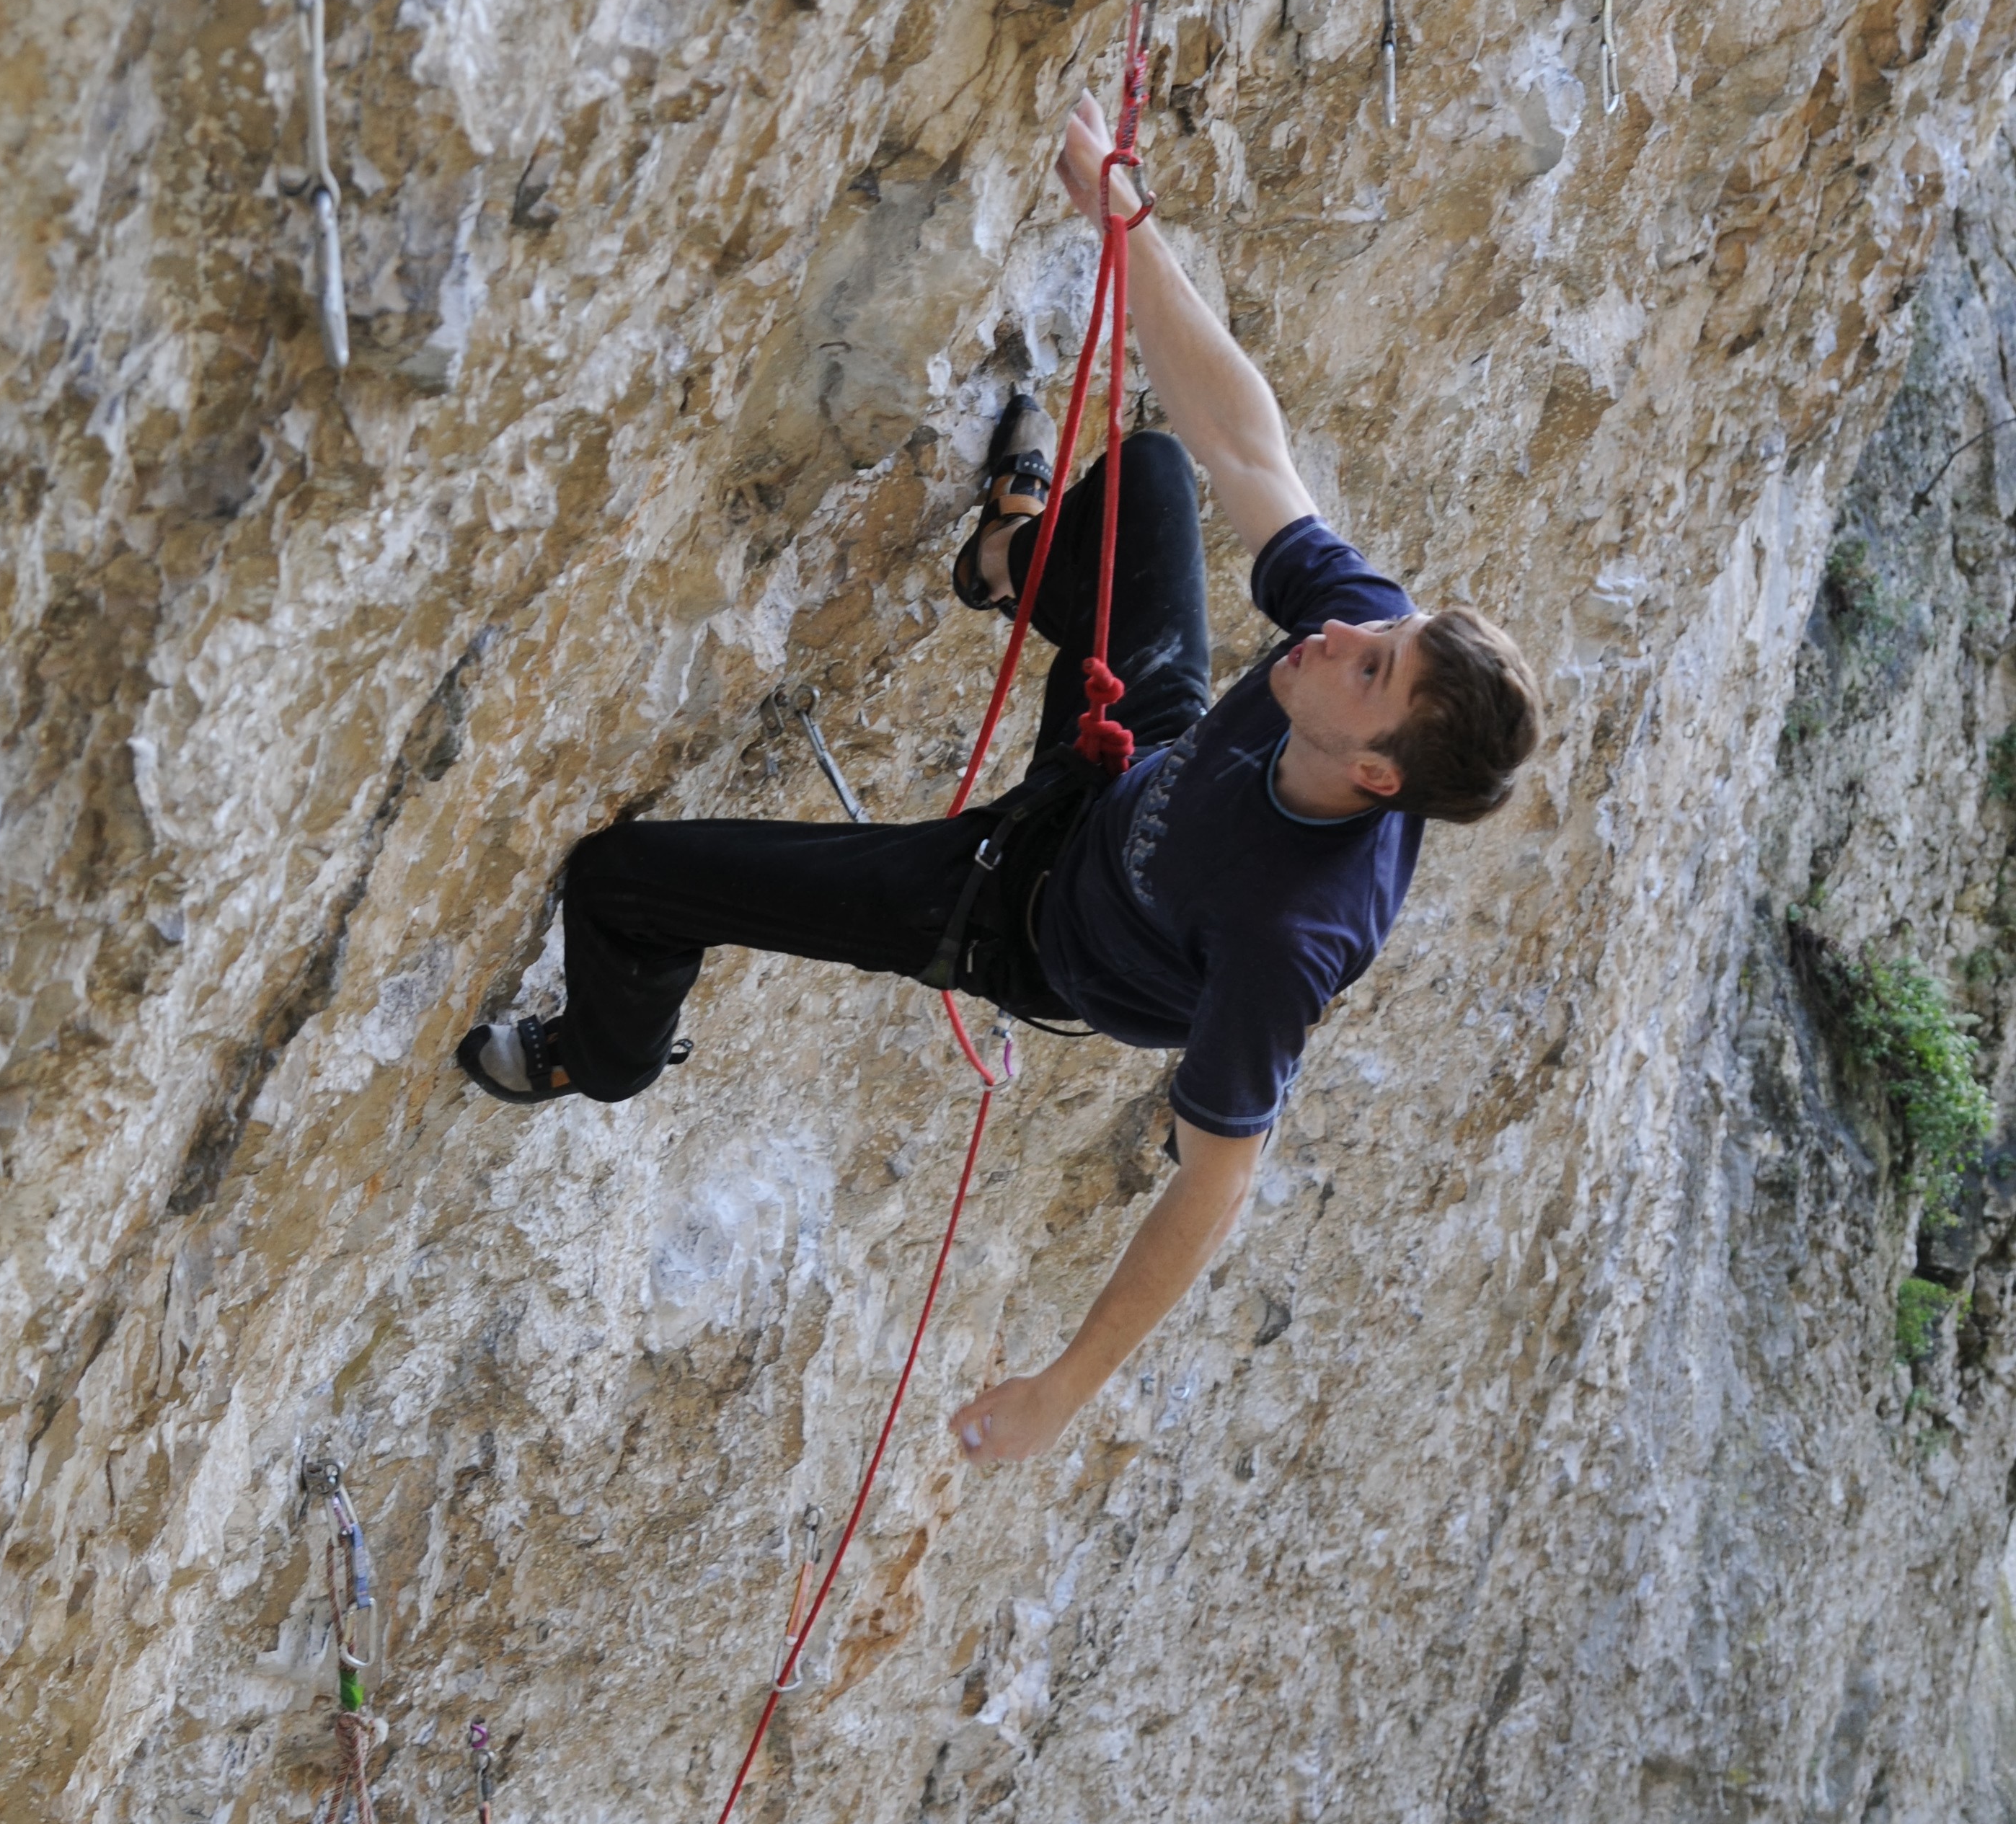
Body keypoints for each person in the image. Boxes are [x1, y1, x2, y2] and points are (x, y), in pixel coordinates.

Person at [457, 90, 1542, 1466]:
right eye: (1381, 633)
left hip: (1009, 918)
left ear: (1378, 779)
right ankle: (1003, 557)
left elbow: (1215, 1185)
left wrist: (1058, 1392)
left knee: (625, 885)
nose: (1339, 635)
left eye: (1372, 670)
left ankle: (594, 1059)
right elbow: (1246, 447)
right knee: (1148, 471)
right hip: (1128, 772)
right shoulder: (1354, 662)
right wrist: (1124, 223)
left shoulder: (1289, 933)